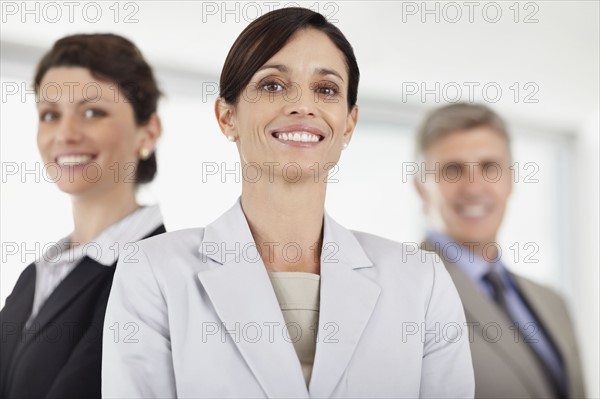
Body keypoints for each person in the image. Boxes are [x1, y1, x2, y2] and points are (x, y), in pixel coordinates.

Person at [102, 8, 474, 398]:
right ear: (227, 117)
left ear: (348, 123)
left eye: (326, 89)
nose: (302, 105)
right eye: (273, 85)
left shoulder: (420, 281)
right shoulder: (153, 273)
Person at [0, 34, 166, 398]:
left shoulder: (157, 274)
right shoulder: (37, 275)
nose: (65, 134)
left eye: (92, 112)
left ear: (148, 132)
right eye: (50, 115)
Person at [413, 102, 586, 398]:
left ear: (510, 179)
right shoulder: (403, 293)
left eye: (489, 167)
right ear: (421, 187)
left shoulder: (553, 302)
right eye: (452, 169)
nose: (473, 187)